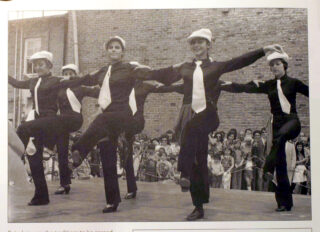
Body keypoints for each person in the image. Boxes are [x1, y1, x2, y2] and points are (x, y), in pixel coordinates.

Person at [142, 28, 279, 220]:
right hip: (189, 114)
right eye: (193, 42)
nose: (196, 45)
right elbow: (166, 78)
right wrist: (140, 78)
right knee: (198, 159)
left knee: (191, 132)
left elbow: (238, 61)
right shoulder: (185, 67)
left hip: (208, 114)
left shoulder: (216, 67)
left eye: (200, 42)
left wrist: (263, 50)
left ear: (208, 45)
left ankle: (183, 172)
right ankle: (198, 205)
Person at [223, 50, 309, 211]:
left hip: (291, 121)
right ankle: (284, 203)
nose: (274, 67)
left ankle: (267, 168)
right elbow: (246, 88)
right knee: (281, 164)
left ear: (284, 65)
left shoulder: (294, 82)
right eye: (271, 65)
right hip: (276, 124)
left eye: (277, 64)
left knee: (281, 138)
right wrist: (229, 85)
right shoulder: (268, 85)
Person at [8, 51, 85, 205]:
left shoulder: (56, 80)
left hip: (49, 121)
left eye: (41, 64)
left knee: (23, 128)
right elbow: (16, 83)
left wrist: (73, 78)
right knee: (33, 155)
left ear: (49, 66)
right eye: (35, 64)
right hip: (37, 122)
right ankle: (41, 195)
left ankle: (15, 155)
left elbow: (73, 82)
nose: (37, 67)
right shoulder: (32, 82)